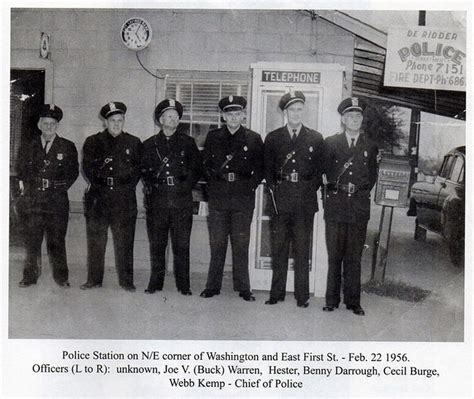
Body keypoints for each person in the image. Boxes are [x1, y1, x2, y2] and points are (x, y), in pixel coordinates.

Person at [263, 91, 325, 308]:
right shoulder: (273, 138)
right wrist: (275, 190)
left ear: (303, 111)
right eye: (291, 109)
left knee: (301, 249)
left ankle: (302, 296)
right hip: (280, 201)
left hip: (304, 202)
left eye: (299, 109)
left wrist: (307, 189)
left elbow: (319, 172)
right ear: (285, 112)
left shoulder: (315, 138)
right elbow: (267, 170)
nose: (295, 113)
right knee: (279, 248)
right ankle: (276, 293)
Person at [200, 95, 264, 302]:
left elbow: (261, 167)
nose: (234, 118)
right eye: (229, 114)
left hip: (242, 198)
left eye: (238, 114)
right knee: (217, 244)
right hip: (218, 197)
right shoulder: (213, 137)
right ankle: (212, 286)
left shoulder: (253, 138)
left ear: (243, 115)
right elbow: (205, 166)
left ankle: (244, 287)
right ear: (223, 116)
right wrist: (212, 187)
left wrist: (250, 186)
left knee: (241, 244)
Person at [322, 97, 378, 316]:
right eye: (350, 116)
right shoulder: (330, 143)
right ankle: (331, 300)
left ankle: (353, 301)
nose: (354, 120)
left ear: (361, 120)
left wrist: (357, 191)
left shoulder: (370, 146)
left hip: (358, 208)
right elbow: (325, 171)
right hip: (336, 205)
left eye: (358, 116)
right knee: (334, 255)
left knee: (354, 256)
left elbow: (372, 177)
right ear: (343, 119)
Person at [141, 99, 202, 295]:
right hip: (158, 200)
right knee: (158, 243)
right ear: (160, 120)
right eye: (169, 116)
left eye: (176, 116)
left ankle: (184, 285)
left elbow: (196, 169)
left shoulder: (188, 142)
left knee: (181, 244)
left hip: (181, 199)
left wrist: (184, 187)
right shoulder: (149, 144)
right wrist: (153, 187)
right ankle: (155, 283)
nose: (173, 119)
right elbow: (144, 171)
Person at [80, 102, 142, 292]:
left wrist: (122, 187)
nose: (116, 124)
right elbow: (88, 169)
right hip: (99, 197)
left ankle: (126, 281)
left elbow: (137, 171)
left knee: (125, 241)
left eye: (120, 120)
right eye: (112, 120)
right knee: (96, 240)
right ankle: (94, 279)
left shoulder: (133, 142)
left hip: (124, 198)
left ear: (124, 121)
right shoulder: (93, 141)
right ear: (105, 122)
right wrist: (105, 186)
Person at [16, 104, 79, 288]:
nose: (49, 127)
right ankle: (30, 277)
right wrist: (31, 188)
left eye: (53, 123)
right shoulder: (29, 146)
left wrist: (57, 188)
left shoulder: (67, 146)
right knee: (32, 240)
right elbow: (21, 169)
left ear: (57, 126)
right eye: (45, 123)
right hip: (34, 199)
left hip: (56, 201)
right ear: (39, 125)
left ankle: (61, 277)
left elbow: (72, 172)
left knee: (57, 240)